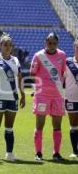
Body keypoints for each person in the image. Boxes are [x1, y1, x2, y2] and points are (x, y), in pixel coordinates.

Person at [0, 33, 25, 161]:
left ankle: (9, 153)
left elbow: (19, 78)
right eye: (5, 45)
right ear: (0, 46)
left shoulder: (16, 60)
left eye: (10, 45)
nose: (8, 47)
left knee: (9, 127)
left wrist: (23, 94)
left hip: (13, 98)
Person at [30, 32, 66, 161]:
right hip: (42, 96)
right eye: (49, 42)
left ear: (57, 43)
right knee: (40, 125)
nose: (51, 45)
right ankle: (38, 153)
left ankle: (56, 153)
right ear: (45, 42)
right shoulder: (38, 56)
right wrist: (38, 88)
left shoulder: (62, 55)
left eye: (54, 43)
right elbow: (32, 73)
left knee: (57, 126)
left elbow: (62, 74)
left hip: (58, 96)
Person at [65, 38, 78, 158]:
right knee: (73, 124)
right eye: (77, 46)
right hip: (71, 99)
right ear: (74, 47)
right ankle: (75, 151)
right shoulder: (67, 62)